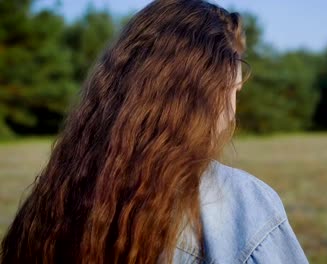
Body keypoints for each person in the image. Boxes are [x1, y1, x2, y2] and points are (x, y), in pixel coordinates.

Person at [0, 0, 309, 263]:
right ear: (206, 95)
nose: (231, 115)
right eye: (233, 92)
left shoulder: (60, 191)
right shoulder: (239, 203)